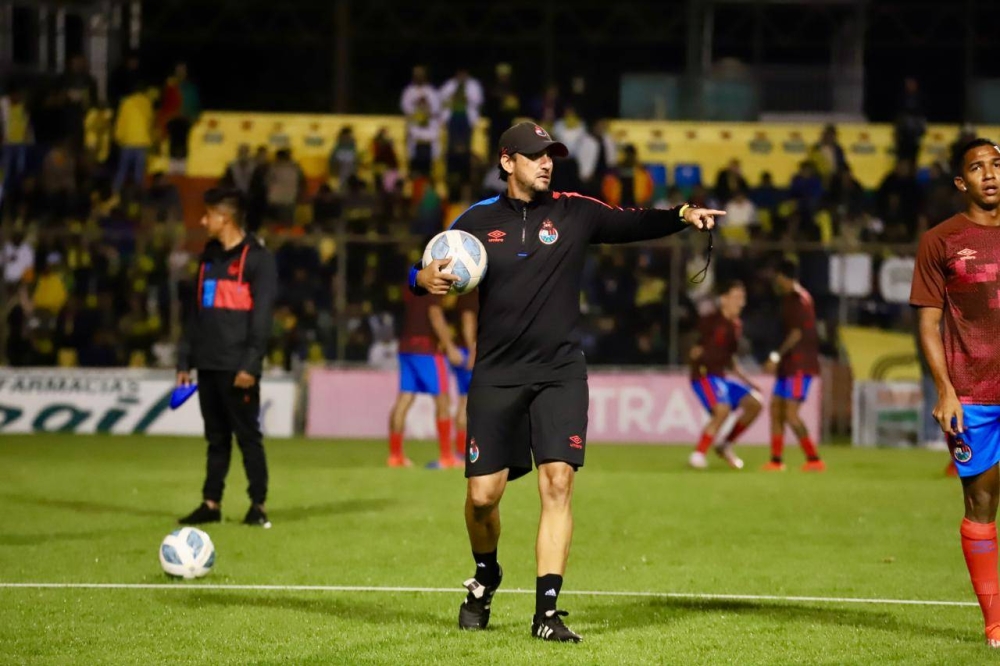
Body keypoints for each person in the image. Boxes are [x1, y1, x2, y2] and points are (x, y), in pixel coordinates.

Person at [411, 121, 720, 642]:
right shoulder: (476, 222)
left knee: (558, 483)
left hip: (560, 372)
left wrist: (683, 216)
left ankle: (546, 613)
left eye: (551, 155)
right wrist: (419, 279)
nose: (547, 163)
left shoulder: (575, 211)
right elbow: (426, 267)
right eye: (535, 156)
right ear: (508, 162)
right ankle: (486, 576)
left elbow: (633, 222)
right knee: (483, 497)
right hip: (497, 374)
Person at [911, 138, 1000, 648]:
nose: (990, 174)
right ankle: (994, 621)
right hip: (973, 395)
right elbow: (928, 323)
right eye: (977, 168)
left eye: (996, 164)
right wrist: (945, 391)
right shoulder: (940, 241)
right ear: (961, 183)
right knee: (981, 503)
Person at [176, 188, 278, 528]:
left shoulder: (259, 260)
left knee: (248, 438)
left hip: (238, 368)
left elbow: (261, 318)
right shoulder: (208, 258)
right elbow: (195, 313)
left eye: (208, 215)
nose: (203, 221)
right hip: (208, 363)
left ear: (226, 219)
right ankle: (211, 503)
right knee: (216, 439)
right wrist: (184, 361)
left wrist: (251, 364)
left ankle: (258, 506)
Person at [688, 280, 762, 470]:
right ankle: (698, 454)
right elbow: (692, 345)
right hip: (704, 376)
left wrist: (748, 381)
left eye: (742, 298)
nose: (741, 302)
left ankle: (725, 444)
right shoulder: (710, 321)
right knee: (722, 409)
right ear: (724, 299)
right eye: (736, 297)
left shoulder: (736, 326)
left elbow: (731, 359)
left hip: (720, 377)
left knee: (755, 403)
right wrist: (693, 356)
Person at [388, 285, 464, 468]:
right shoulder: (434, 287)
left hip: (406, 346)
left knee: (404, 399)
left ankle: (395, 456)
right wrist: (450, 347)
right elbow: (435, 316)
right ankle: (447, 457)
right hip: (427, 349)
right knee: (442, 401)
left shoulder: (416, 284)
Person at [762, 260, 825, 472]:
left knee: (791, 414)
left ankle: (814, 459)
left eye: (778, 277)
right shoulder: (789, 299)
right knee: (776, 410)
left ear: (784, 277)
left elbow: (797, 333)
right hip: (789, 365)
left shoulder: (800, 300)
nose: (776, 282)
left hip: (800, 365)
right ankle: (776, 461)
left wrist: (776, 356)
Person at [440, 291, 478, 468]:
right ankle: (463, 454)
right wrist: (472, 351)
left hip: (462, 350)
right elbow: (468, 321)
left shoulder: (459, 294)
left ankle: (462, 453)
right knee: (468, 402)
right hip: (468, 352)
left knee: (465, 401)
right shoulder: (470, 296)